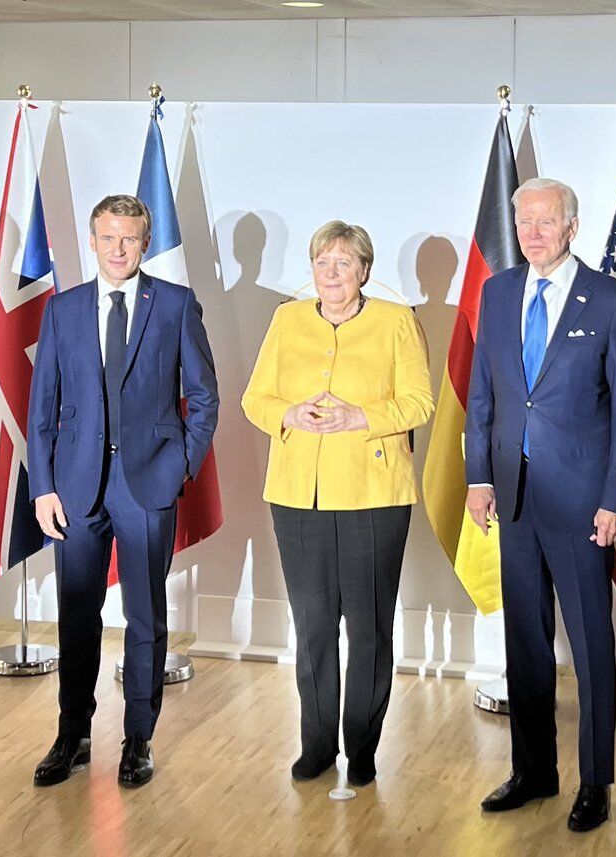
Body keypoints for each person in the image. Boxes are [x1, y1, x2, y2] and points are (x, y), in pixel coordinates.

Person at [465, 178, 616, 832]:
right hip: (512, 495)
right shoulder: (498, 291)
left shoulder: (611, 300)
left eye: (546, 222)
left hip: (582, 501)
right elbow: (483, 393)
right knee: (525, 641)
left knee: (591, 644)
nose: (533, 234)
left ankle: (595, 781)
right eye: (524, 222)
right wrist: (477, 477)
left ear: (571, 226)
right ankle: (533, 772)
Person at [27, 194, 219, 789]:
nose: (118, 249)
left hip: (147, 484)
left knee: (144, 614)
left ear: (145, 243)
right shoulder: (63, 310)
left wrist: (178, 466)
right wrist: (43, 487)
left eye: (129, 238)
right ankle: (73, 735)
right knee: (76, 613)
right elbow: (42, 407)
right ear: (92, 241)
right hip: (75, 488)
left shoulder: (176, 305)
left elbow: (204, 397)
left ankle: (138, 737)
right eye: (108, 237)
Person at [242, 221, 434, 787]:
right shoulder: (287, 320)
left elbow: (420, 403)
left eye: (343, 263)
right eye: (322, 262)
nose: (331, 273)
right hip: (297, 495)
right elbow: (255, 398)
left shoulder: (397, 322)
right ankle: (318, 744)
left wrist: (361, 418)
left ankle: (364, 747)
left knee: (368, 629)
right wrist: (287, 413)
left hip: (374, 497)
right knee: (314, 626)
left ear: (364, 271)